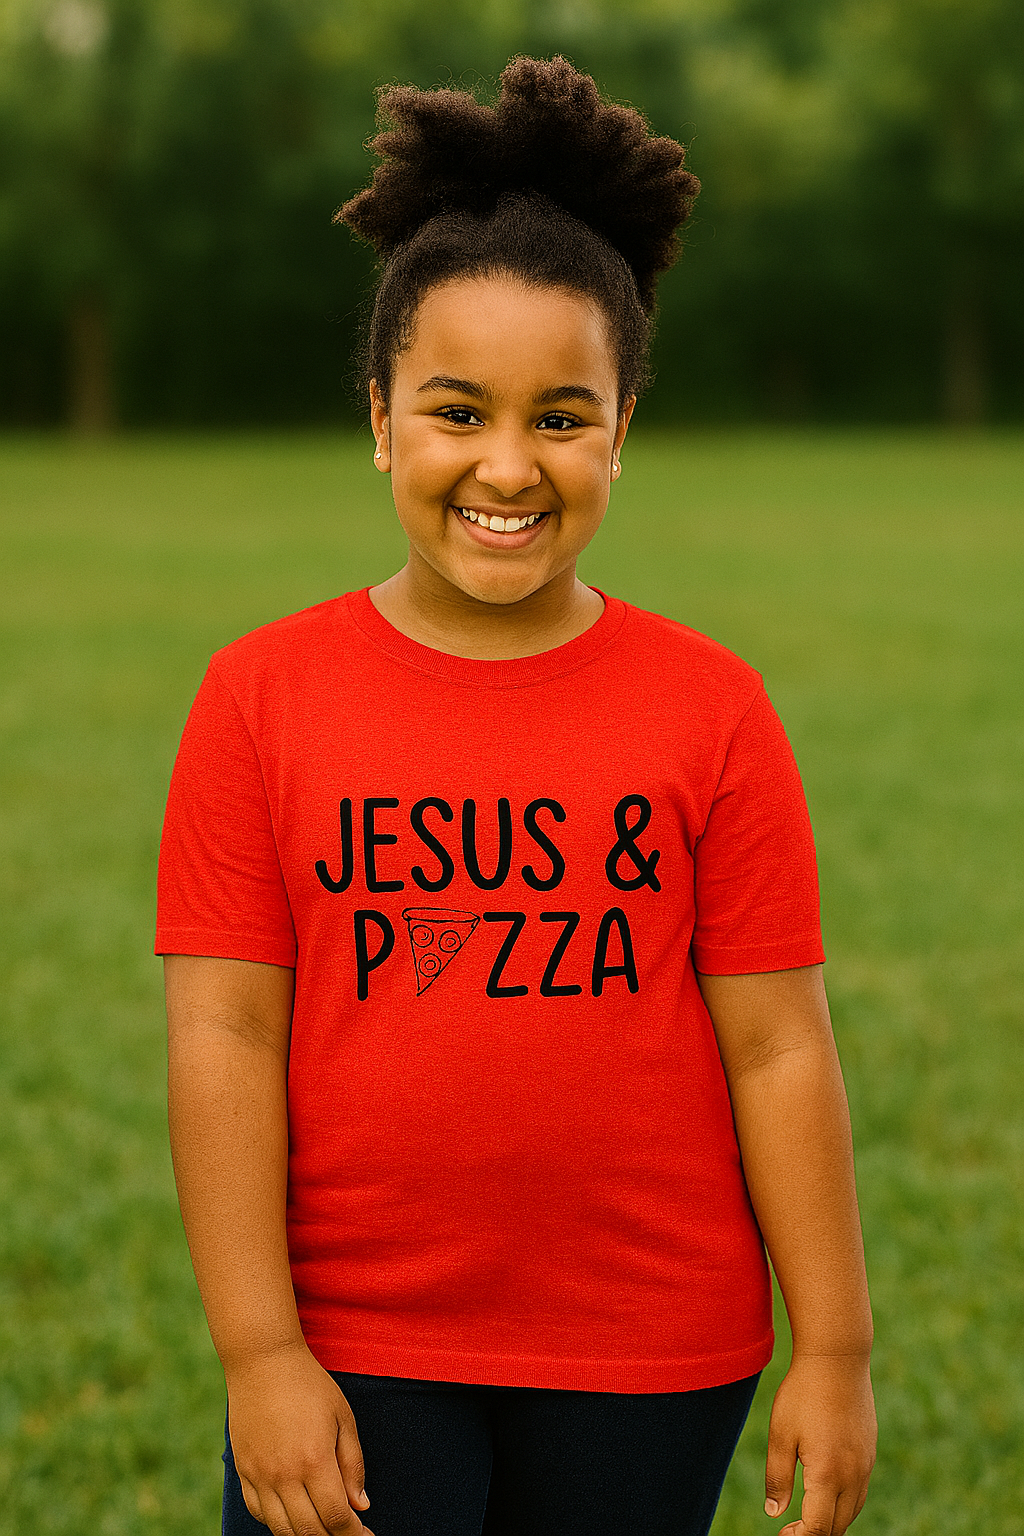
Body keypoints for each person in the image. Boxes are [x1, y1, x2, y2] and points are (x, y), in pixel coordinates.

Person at [157, 55, 876, 1536]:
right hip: (354, 1344)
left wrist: (840, 1347)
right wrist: (259, 1350)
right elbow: (224, 1035)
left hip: (650, 1351)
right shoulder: (258, 696)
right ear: (378, 421)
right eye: (455, 411)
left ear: (624, 429)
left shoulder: (713, 707)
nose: (507, 464)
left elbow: (778, 1050)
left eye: (561, 416)